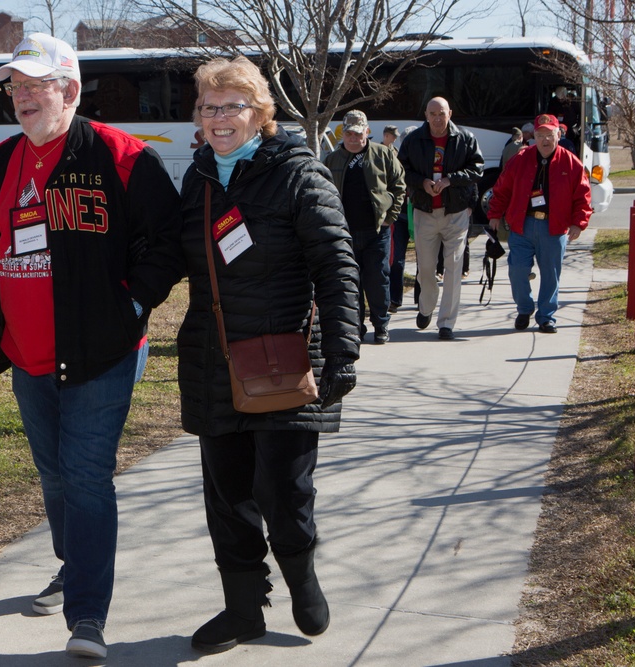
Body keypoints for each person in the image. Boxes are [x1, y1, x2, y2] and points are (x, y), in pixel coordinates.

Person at [0, 33, 181, 660]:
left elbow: (169, 242)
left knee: (87, 476)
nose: (21, 97)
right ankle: (74, 564)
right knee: (54, 474)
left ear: (69, 89)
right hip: (26, 354)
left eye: (34, 85)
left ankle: (87, 616)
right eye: (15, 86)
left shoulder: (123, 158)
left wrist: (131, 303)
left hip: (104, 351)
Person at [177, 56, 361, 654]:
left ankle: (301, 576)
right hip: (213, 359)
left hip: (284, 358)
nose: (220, 118)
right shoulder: (198, 178)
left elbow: (336, 266)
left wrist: (341, 350)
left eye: (233, 106)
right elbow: (168, 259)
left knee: (284, 490)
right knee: (227, 495)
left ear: (260, 114)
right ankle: (242, 608)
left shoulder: (298, 174)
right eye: (210, 107)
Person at [486, 113, 592, 333]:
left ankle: (546, 317)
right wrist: (495, 214)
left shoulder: (571, 162)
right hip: (523, 226)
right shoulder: (520, 159)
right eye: (540, 134)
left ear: (558, 135)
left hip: (554, 229)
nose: (545, 139)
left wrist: (578, 223)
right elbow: (503, 189)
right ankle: (524, 309)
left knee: (551, 275)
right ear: (533, 136)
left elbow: (583, 195)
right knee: (517, 270)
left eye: (550, 135)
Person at [397, 96, 484, 340]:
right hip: (425, 212)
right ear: (426, 115)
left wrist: (450, 180)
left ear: (450, 114)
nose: (437, 118)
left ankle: (446, 323)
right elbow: (401, 170)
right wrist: (421, 183)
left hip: (455, 213)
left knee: (454, 267)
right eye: (433, 113)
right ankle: (426, 306)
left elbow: (477, 168)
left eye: (441, 113)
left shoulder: (465, 139)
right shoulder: (414, 140)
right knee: (425, 268)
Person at [324, 110, 406, 343]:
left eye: (357, 134)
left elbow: (399, 184)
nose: (353, 138)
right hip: (345, 233)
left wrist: (390, 216)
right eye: (348, 133)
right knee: (350, 282)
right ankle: (355, 327)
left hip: (376, 231)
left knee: (378, 279)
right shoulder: (332, 160)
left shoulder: (383, 154)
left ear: (367, 132)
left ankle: (381, 324)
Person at [389, 126, 418, 312]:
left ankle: (422, 301)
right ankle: (394, 300)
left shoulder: (425, 160)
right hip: (399, 216)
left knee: (425, 261)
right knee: (397, 260)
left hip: (421, 215)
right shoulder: (394, 161)